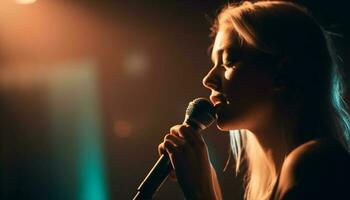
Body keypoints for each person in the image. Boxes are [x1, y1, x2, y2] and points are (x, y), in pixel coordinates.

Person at [158, 1, 350, 200]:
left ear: (281, 73)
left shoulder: (316, 164)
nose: (208, 80)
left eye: (229, 61)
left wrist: (201, 193)